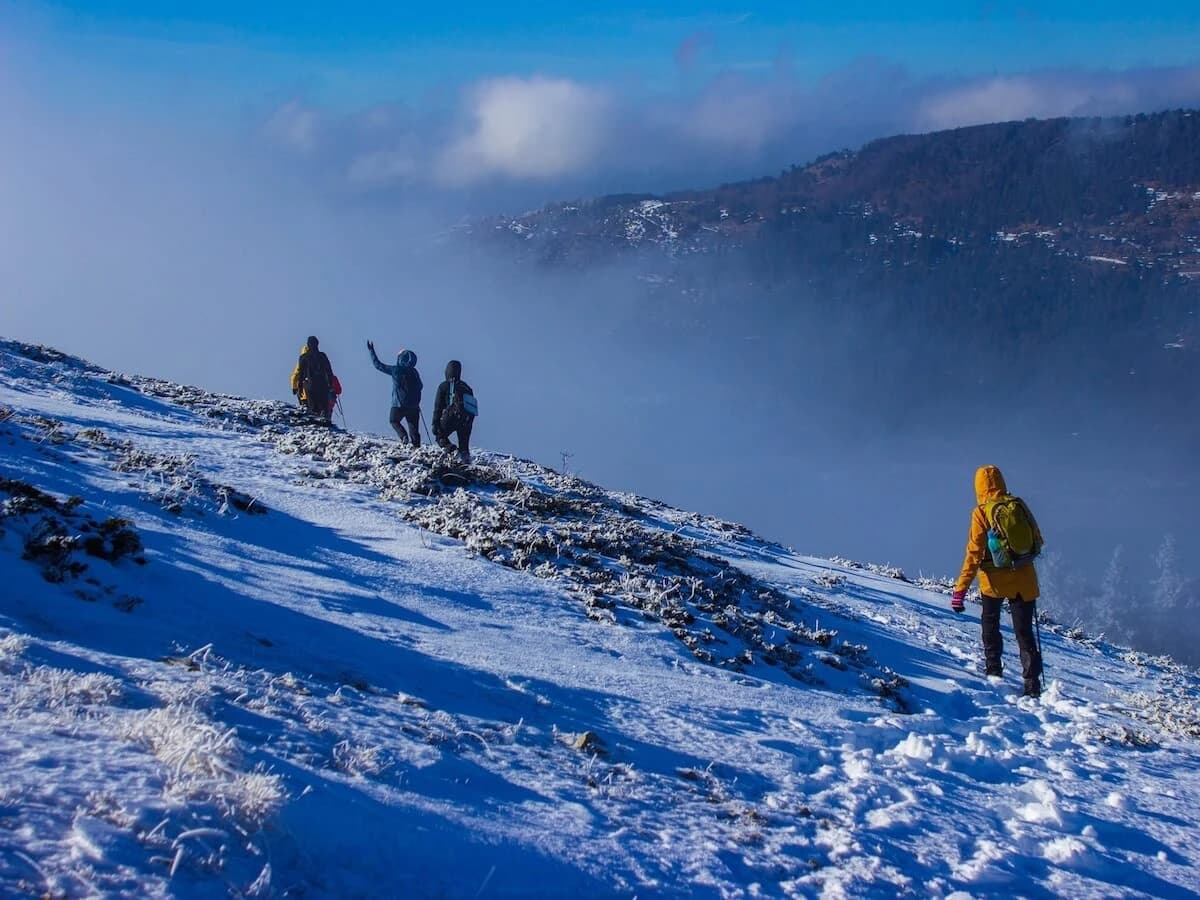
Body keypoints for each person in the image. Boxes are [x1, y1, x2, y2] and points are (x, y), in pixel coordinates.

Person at [951, 465, 1045, 697]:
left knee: (990, 622)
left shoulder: (981, 512)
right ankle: (1032, 683)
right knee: (1024, 632)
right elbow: (1038, 540)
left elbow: (974, 553)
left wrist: (960, 590)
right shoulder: (1018, 504)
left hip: (993, 582)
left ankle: (993, 669)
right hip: (1024, 579)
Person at [367, 340, 422, 446]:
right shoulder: (414, 372)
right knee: (413, 427)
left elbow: (378, 365)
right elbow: (420, 386)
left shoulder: (396, 370)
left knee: (393, 421)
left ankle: (403, 436)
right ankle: (416, 447)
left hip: (398, 404)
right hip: (414, 406)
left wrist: (371, 351)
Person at [432, 359, 476, 464]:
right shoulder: (467, 387)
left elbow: (438, 407)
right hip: (466, 420)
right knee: (464, 446)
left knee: (440, 436)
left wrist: (435, 424)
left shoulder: (444, 386)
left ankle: (452, 451)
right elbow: (472, 408)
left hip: (451, 416)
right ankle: (465, 463)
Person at [292, 336, 337, 423]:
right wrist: (331, 386)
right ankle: (326, 426)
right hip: (323, 386)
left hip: (310, 386)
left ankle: (315, 425)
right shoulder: (323, 356)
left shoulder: (303, 357)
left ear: (308, 345)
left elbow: (300, 373)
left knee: (312, 408)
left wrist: (300, 387)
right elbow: (329, 372)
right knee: (324, 408)